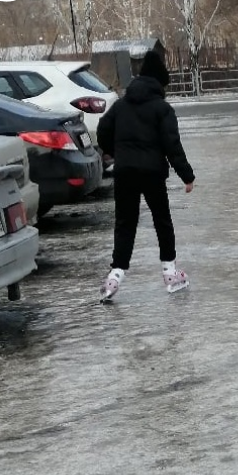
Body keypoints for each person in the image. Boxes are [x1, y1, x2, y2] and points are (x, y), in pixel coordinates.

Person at [96, 50, 196, 301]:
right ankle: (170, 273)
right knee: (162, 220)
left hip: (125, 172)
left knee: (125, 222)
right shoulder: (162, 109)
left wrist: (115, 152)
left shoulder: (120, 106)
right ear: (158, 84)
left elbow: (102, 131)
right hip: (152, 173)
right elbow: (172, 145)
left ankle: (115, 275)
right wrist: (187, 176)